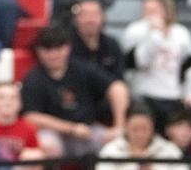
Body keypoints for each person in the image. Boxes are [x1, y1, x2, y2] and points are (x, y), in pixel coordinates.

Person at [21, 26, 129, 158]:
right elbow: (31, 117)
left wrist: (119, 126)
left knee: (118, 143)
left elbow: (117, 87)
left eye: (58, 48)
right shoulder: (33, 78)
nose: (53, 54)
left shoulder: (81, 69)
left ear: (67, 48)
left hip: (88, 130)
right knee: (48, 145)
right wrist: (71, 128)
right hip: (53, 133)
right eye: (48, 49)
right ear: (39, 51)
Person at [121, 0, 191, 133]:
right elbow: (140, 62)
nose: (151, 14)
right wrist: (155, 36)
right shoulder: (135, 31)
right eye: (147, 10)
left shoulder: (181, 33)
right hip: (145, 96)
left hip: (174, 96)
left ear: (166, 10)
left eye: (155, 10)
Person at [97, 103, 186, 170]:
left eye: (144, 129)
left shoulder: (170, 151)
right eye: (135, 129)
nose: (140, 134)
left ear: (153, 128)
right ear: (126, 127)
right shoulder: (111, 151)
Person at [0, 83, 43, 160]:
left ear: (20, 104)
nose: (8, 102)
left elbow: (36, 156)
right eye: (1, 97)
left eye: (13, 98)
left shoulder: (28, 128)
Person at [70, 0, 124, 81]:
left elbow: (119, 79)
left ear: (103, 17)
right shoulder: (67, 47)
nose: (90, 20)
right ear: (76, 19)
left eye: (94, 15)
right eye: (85, 15)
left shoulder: (112, 45)